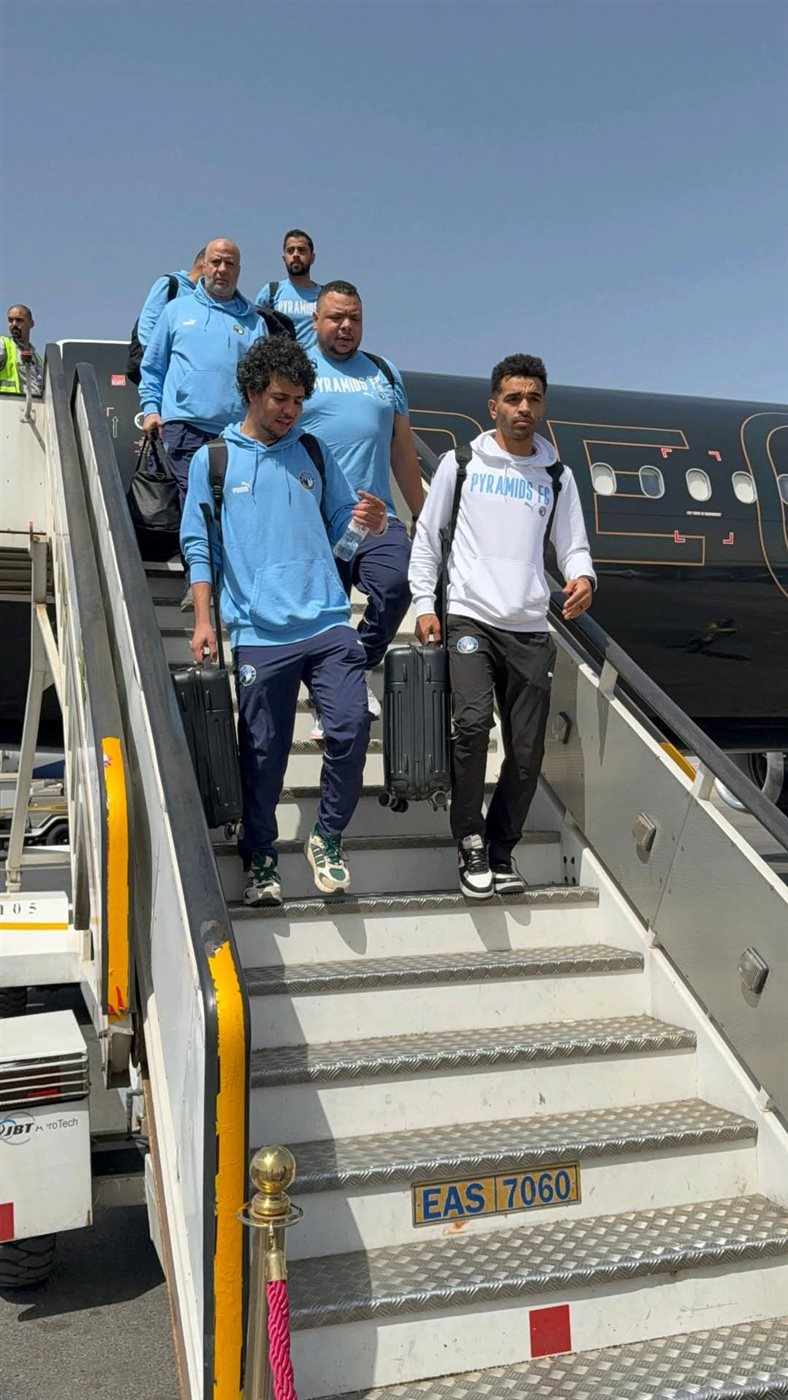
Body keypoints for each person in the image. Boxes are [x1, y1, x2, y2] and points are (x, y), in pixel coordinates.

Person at [181, 336, 388, 907]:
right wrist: (204, 621)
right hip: (258, 633)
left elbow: (343, 530)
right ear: (252, 392)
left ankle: (327, 837)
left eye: (298, 400)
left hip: (327, 621)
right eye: (280, 398)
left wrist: (367, 523)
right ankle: (261, 858)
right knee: (263, 754)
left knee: (351, 727)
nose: (290, 410)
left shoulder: (313, 452)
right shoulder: (213, 461)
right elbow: (200, 546)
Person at [409, 353, 596, 901]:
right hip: (470, 616)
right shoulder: (462, 465)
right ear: (494, 406)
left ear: (543, 406)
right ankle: (469, 839)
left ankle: (500, 849)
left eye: (533, 398)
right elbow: (428, 538)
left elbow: (573, 545)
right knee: (471, 727)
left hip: (530, 627)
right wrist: (424, 604)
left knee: (528, 751)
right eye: (513, 398)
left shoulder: (557, 477)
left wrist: (584, 577)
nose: (523, 408)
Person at [298, 280, 425, 734]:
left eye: (355, 318)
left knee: (396, 583)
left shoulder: (384, 373)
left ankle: (356, 664)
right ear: (316, 319)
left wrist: (424, 514)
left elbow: (402, 451)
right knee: (322, 615)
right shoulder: (297, 369)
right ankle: (327, 691)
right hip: (312, 520)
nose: (346, 326)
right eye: (336, 317)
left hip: (375, 517)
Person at [139, 238, 267, 607]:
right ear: (204, 265)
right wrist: (151, 409)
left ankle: (234, 584)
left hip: (236, 432)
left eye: (230, 263)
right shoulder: (176, 311)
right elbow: (153, 367)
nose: (222, 270)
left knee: (237, 506)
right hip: (184, 425)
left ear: (239, 270)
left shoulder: (254, 322)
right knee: (196, 506)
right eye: (216, 262)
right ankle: (200, 583)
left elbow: (263, 382)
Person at [256, 228, 321, 349]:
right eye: (290, 251)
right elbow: (257, 331)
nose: (295, 255)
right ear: (284, 258)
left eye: (302, 250)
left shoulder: (325, 296)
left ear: (312, 258)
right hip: (281, 359)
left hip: (315, 361)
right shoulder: (271, 292)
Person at [135, 246, 206, 354]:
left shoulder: (205, 298)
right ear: (204, 264)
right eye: (216, 263)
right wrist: (157, 359)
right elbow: (147, 326)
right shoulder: (171, 285)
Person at [0, 305, 43, 397]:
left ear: (31, 324)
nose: (14, 324)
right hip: (8, 403)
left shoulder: (38, 359)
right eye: (10, 320)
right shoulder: (3, 345)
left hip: (35, 404)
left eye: (19, 320)